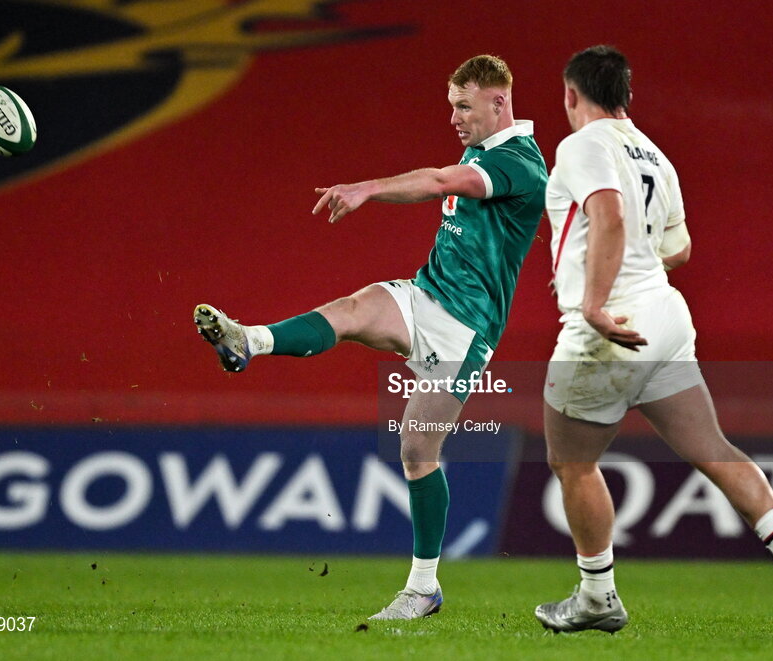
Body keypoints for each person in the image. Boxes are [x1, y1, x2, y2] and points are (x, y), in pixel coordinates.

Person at [193, 54, 547, 620]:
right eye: (450, 105)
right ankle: (247, 341)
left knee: (415, 447)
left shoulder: (519, 164)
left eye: (463, 105)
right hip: (424, 295)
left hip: (465, 329)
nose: (454, 117)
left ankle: (424, 588)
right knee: (353, 308)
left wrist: (367, 188)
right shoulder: (482, 147)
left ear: (499, 101)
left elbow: (437, 182)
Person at [533, 45, 773, 640]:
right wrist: (587, 262)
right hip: (666, 316)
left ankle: (597, 596)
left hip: (613, 327)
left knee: (571, 461)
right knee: (714, 448)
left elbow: (610, 217)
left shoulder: (581, 145)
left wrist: (592, 297)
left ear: (572, 94)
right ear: (626, 94)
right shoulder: (657, 156)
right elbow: (678, 250)